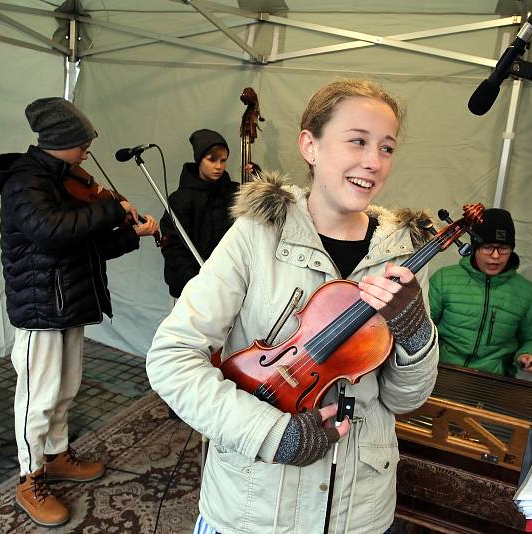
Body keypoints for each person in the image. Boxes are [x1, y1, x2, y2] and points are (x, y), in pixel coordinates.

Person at [147, 79, 439, 534]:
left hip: (358, 512)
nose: (373, 162)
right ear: (310, 145)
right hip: (252, 509)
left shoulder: (403, 255)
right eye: (357, 141)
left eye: (386, 148)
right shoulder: (255, 235)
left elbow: (405, 399)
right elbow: (171, 359)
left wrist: (416, 333)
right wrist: (272, 434)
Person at [0, 97, 159, 527]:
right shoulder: (24, 182)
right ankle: (30, 478)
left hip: (70, 300)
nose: (89, 149)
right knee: (37, 398)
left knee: (65, 389)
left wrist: (130, 234)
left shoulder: (65, 180)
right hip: (40, 305)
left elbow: (87, 247)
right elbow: (49, 233)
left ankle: (58, 454)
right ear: (60, 142)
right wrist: (108, 208)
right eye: (83, 142)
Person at [428, 208, 532, 377]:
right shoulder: (443, 279)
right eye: (487, 247)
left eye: (503, 248)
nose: (495, 256)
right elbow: (421, 329)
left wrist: (530, 354)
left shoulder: (529, 293)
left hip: (493, 379)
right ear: (475, 247)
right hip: (440, 372)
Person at [160, 129, 240, 299]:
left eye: (223, 160)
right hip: (191, 290)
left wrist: (258, 179)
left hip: (230, 286)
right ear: (199, 159)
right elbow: (174, 248)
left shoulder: (235, 193)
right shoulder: (179, 200)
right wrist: (195, 281)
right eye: (211, 160)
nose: (219, 166)